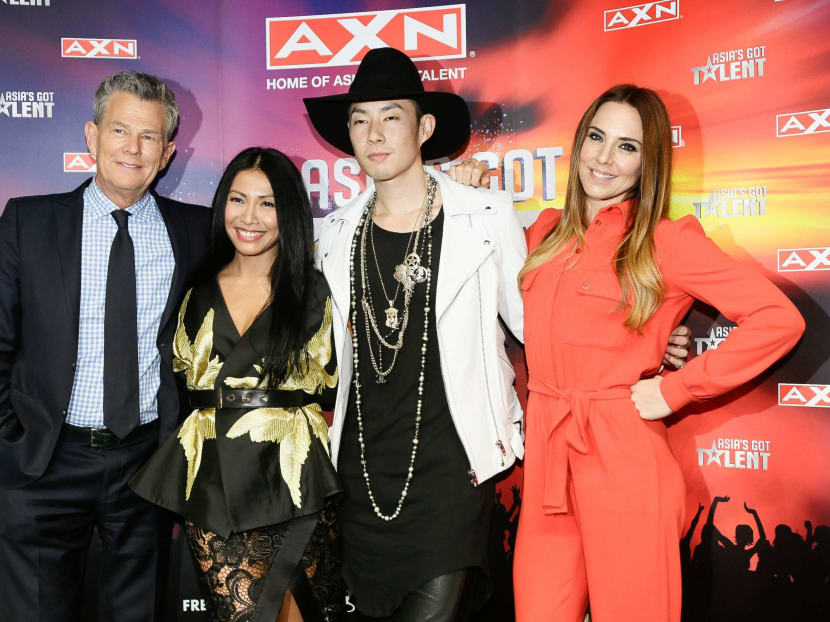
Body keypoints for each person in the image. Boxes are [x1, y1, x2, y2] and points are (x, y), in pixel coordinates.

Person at [512, 84, 805, 621]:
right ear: (578, 144)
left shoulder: (666, 242)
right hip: (548, 468)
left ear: (649, 162)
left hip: (624, 463)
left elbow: (778, 319)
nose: (604, 157)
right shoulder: (543, 233)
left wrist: (676, 389)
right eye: (596, 138)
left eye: (628, 146)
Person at [305, 47, 527, 620]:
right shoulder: (330, 235)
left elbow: (539, 325)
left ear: (425, 127)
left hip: (453, 474)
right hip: (359, 475)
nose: (374, 133)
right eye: (360, 119)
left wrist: (645, 341)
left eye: (391, 116)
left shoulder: (485, 216)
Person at [0, 71, 210, 621]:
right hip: (43, 459)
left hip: (145, 460)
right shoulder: (28, 221)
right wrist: (13, 438)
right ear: (92, 136)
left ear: (167, 153)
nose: (132, 149)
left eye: (148, 137)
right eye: (120, 130)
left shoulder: (198, 232)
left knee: (135, 613)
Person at [130, 147, 344, 622]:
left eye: (267, 203)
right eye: (237, 199)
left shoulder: (316, 290)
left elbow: (335, 379)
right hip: (212, 480)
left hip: (295, 475)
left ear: (287, 211)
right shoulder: (193, 289)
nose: (250, 217)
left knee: (304, 613)